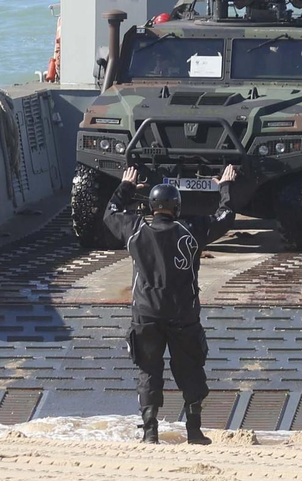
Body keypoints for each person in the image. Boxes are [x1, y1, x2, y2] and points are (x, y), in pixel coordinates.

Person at [102, 164, 240, 445]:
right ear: (176, 207)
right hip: (183, 314)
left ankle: (150, 431)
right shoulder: (190, 231)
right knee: (190, 370)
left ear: (151, 206)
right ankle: (194, 431)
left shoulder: (135, 230)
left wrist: (126, 187)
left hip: (146, 313)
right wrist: (225, 186)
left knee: (148, 370)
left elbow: (110, 213)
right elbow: (225, 217)